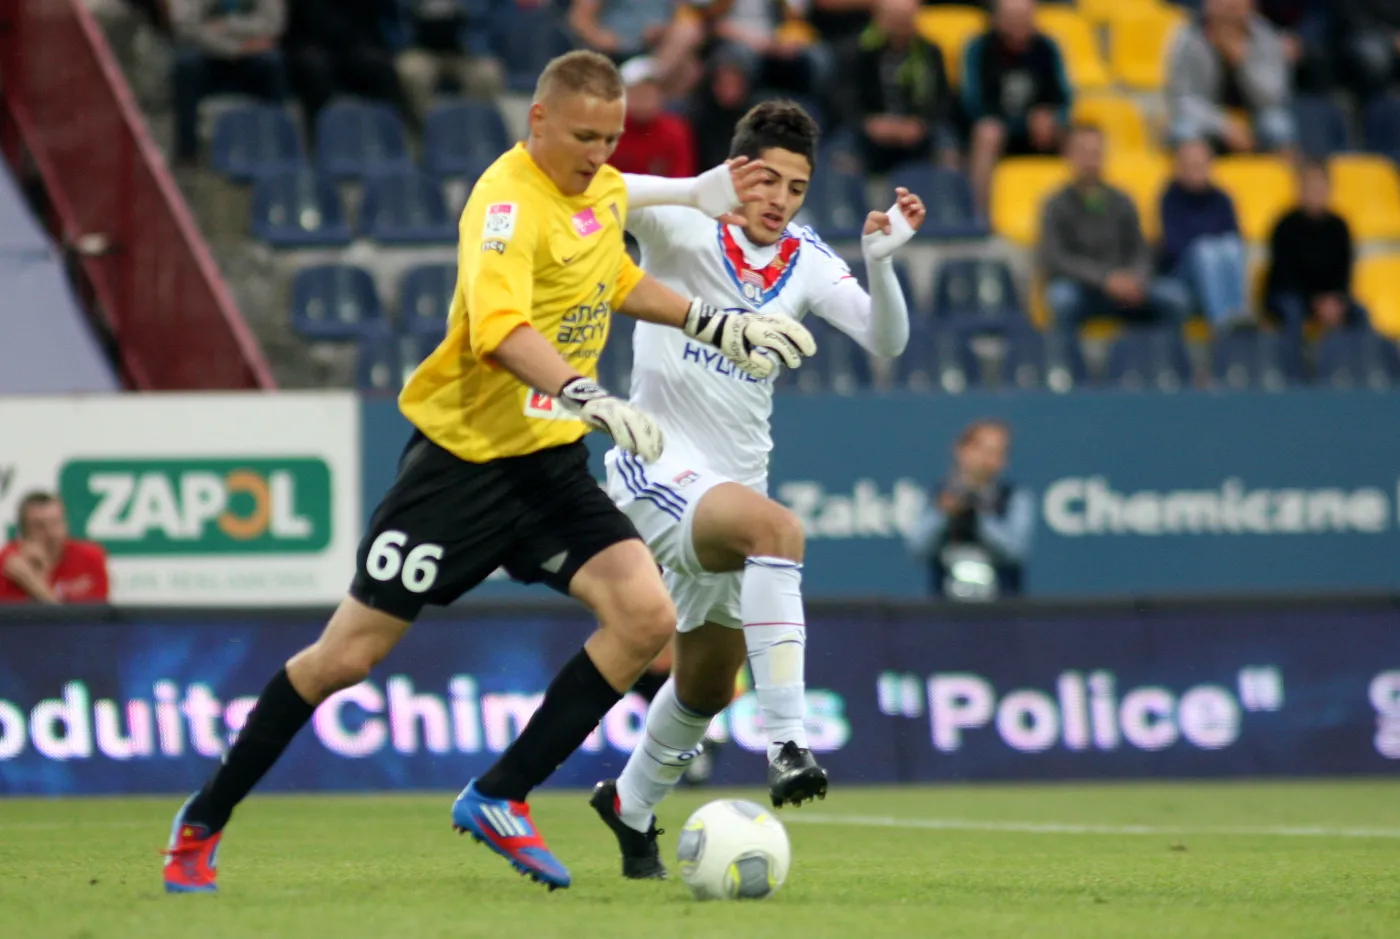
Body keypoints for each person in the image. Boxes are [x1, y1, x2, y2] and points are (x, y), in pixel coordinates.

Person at [160, 50, 817, 895]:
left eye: (612, 137)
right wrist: (588, 391)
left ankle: (501, 794)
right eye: (584, 135)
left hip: (545, 465)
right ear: (536, 120)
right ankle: (204, 817)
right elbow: (499, 329)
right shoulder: (503, 204)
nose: (599, 153)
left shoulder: (600, 189)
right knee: (344, 658)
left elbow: (613, 277)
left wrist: (716, 322)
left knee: (645, 613)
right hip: (460, 467)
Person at [590, 100, 926, 880]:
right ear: (734, 169)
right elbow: (590, 191)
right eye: (764, 178)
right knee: (779, 532)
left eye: (795, 185)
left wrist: (880, 261)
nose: (778, 197)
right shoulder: (682, 221)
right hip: (657, 465)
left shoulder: (806, 256)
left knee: (704, 681)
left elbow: (886, 341)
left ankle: (629, 804)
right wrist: (687, 189)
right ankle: (787, 741)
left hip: (730, 484)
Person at [1040, 125, 1193, 339]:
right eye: (1084, 152)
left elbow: (1141, 251)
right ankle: (1069, 367)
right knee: (1061, 299)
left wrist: (1136, 280)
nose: (1091, 160)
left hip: (1128, 287)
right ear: (1070, 156)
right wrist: (1106, 280)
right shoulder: (1055, 204)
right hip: (1084, 290)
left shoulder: (1122, 200)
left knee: (1175, 298)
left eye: (1096, 153)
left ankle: (1167, 366)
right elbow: (1055, 259)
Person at [962, 0, 1073, 213]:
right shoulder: (979, 48)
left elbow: (1064, 98)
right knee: (988, 132)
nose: (1018, 24)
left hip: (1041, 132)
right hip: (999, 128)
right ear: (997, 19)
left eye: (1024, 17)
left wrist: (1053, 118)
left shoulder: (1047, 47)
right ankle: (978, 212)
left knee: (1078, 139)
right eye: (1012, 18)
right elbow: (973, 103)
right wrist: (1022, 122)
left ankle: (1072, 211)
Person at [904, 420, 1033, 600]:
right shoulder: (938, 495)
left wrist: (978, 517)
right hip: (945, 609)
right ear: (961, 450)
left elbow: (1016, 551)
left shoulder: (1013, 498)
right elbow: (917, 548)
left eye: (999, 453)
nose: (989, 460)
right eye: (984, 451)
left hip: (1001, 610)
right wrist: (944, 514)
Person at [1166, 0, 1296, 154]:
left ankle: (1283, 176)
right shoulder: (1189, 38)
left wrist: (1242, 61)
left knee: (1278, 124)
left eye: (1236, 6)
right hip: (1208, 120)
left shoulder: (1265, 36)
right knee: (1184, 130)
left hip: (1254, 118)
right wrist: (1223, 126)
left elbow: (1273, 97)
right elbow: (1183, 99)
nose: (1230, 12)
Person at [169, 0, 289, 165]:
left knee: (273, 64)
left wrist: (227, 27)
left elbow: (273, 24)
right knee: (185, 68)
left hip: (252, 54)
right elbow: (187, 26)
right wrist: (234, 49)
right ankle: (187, 154)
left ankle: (276, 147)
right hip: (209, 52)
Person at [1265, 160, 1369, 336]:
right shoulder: (1284, 225)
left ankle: (1359, 362)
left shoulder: (1339, 227)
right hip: (1290, 295)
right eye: (1310, 186)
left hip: (1330, 297)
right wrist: (1315, 302)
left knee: (1360, 313)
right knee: (1293, 311)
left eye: (1320, 186)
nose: (1316, 192)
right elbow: (1284, 274)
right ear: (1299, 189)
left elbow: (1344, 271)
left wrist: (1335, 299)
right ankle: (1293, 362)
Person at [852, 0, 955, 175]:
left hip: (918, 128)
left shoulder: (929, 51)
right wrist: (869, 123)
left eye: (905, 20)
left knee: (948, 149)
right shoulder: (859, 50)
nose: (899, 26)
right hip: (869, 126)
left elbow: (942, 99)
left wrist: (921, 123)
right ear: (879, 19)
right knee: (840, 154)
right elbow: (844, 97)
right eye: (894, 19)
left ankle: (947, 200)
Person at [1159, 139, 1252, 329]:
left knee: (1232, 247)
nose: (1195, 171)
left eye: (1200, 165)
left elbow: (1234, 235)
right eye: (1190, 165)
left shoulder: (1221, 198)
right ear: (1178, 168)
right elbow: (1173, 246)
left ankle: (1239, 313)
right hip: (1183, 272)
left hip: (1215, 265)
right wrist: (1207, 242)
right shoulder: (1170, 199)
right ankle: (1221, 324)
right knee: (1206, 250)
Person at [0, 492, 110, 604]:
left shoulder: (90, 556)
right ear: (24, 533)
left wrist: (32, 581)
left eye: (56, 523)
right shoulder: (8, 562)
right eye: (40, 526)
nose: (51, 533)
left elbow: (98, 615)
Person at [608, 56, 697, 177]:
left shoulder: (675, 130)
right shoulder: (607, 130)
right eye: (638, 91)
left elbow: (682, 177)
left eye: (651, 91)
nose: (645, 98)